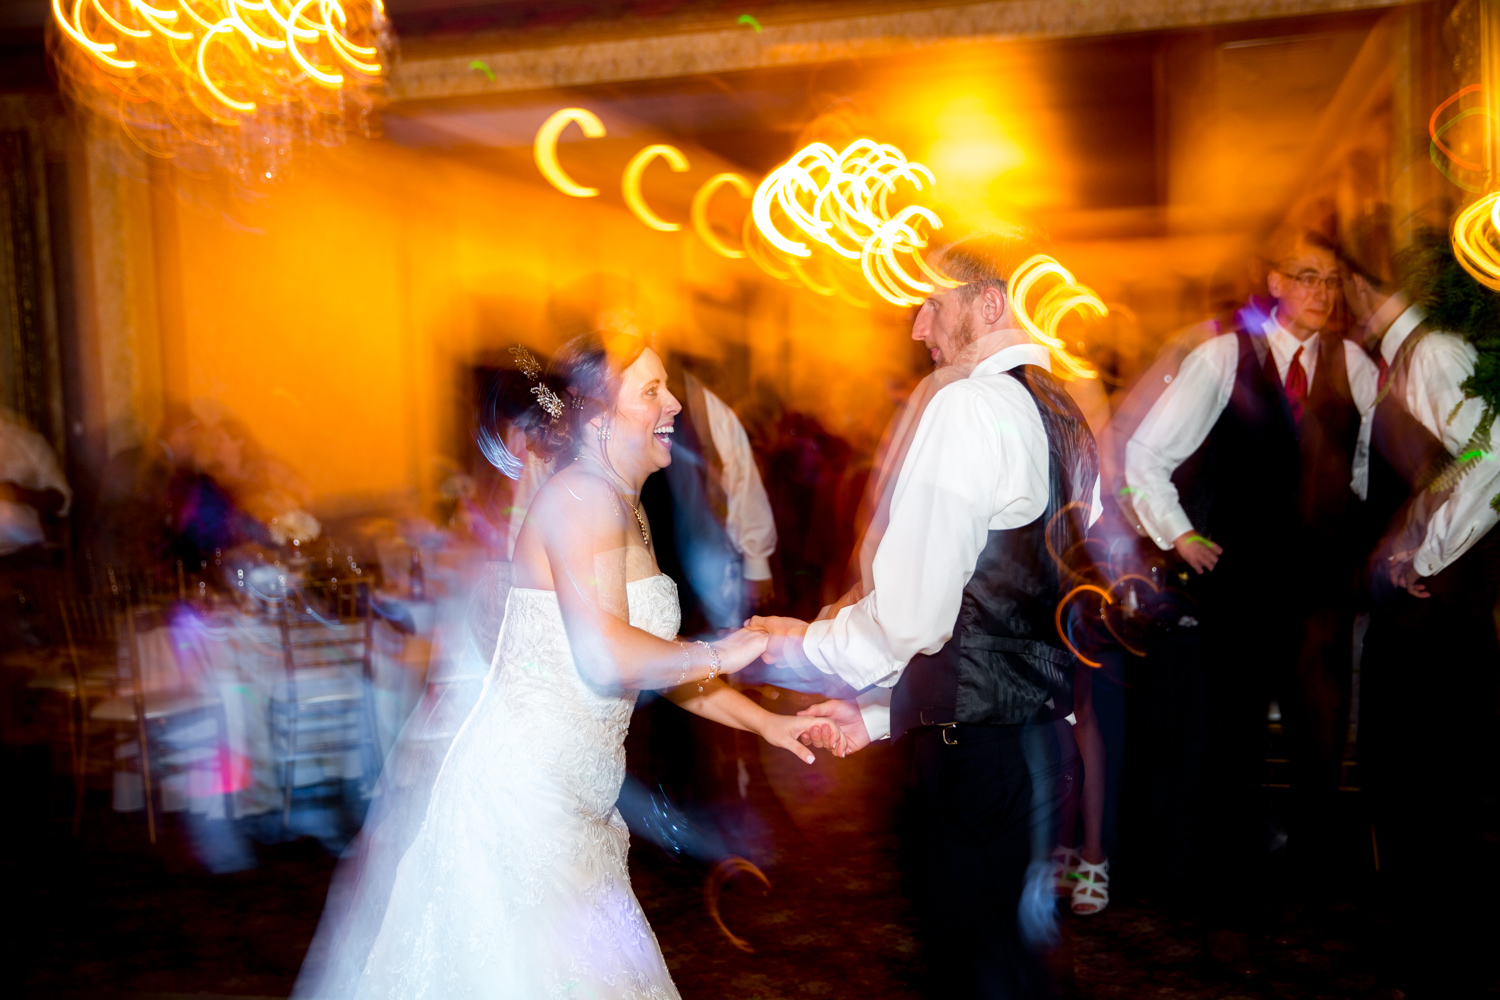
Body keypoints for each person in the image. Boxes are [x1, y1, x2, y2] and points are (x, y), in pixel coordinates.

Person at [296, 332, 845, 1000]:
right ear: (597, 415)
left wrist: (765, 723)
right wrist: (724, 650)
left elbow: (656, 664)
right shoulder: (581, 499)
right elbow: (607, 654)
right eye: (651, 391)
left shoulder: (621, 504)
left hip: (578, 800)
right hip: (525, 804)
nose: (674, 403)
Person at [753, 231, 1102, 1000]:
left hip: (981, 769)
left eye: (931, 305)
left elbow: (915, 617)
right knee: (1021, 969)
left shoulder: (969, 406)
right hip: (1043, 752)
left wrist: (805, 647)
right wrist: (881, 718)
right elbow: (1014, 620)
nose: (917, 327)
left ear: (989, 304)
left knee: (978, 973)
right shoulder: (1063, 413)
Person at [1121, 230, 1378, 971]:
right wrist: (1179, 535)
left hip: (1321, 598)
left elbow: (1367, 464)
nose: (1323, 292)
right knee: (1232, 754)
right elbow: (1144, 454)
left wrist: (1369, 538)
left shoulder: (1355, 364)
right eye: (1308, 276)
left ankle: (1317, 908)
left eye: (1332, 280)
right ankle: (1229, 908)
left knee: (1319, 755)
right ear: (1275, 283)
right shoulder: (1222, 358)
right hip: (1241, 596)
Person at [1337, 224, 1500, 998]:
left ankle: (1443, 957)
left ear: (1363, 283)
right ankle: (1425, 947)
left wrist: (1424, 552)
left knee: (1429, 786)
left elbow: (1488, 454)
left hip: (1436, 613)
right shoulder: (1405, 357)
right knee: (1408, 782)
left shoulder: (1430, 352)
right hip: (1417, 608)